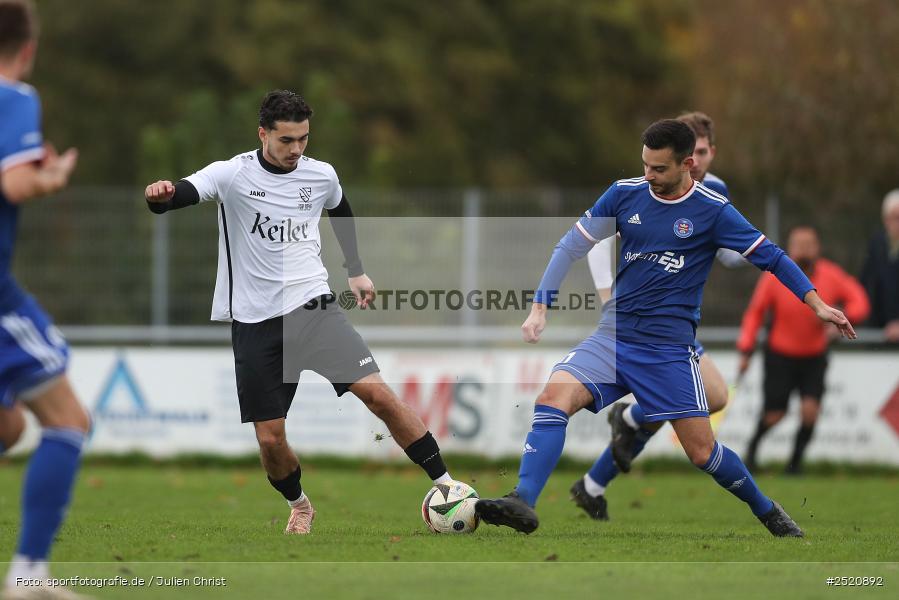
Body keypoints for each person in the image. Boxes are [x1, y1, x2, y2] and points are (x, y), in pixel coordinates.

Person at [475, 119, 856, 537]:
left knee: (701, 451)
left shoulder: (713, 210)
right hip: (614, 337)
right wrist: (539, 307)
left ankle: (768, 512)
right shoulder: (624, 194)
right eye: (645, 166)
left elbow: (772, 257)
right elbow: (571, 245)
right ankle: (523, 501)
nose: (648, 176)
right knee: (552, 396)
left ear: (687, 165)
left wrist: (815, 302)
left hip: (667, 350)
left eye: (658, 169)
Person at [144, 90, 454, 535]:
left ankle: (447, 486)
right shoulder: (231, 174)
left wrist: (356, 272)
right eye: (286, 140)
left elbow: (340, 209)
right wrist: (161, 195)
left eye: (303, 139)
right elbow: (181, 194)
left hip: (314, 307)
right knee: (271, 439)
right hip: (255, 324)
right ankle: (300, 504)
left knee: (379, 395)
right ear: (263, 133)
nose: (296, 150)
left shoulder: (320, 175)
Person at [574, 111, 732, 520]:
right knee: (708, 397)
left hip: (679, 316)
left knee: (680, 408)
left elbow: (733, 252)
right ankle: (623, 426)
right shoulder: (649, 186)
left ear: (708, 153)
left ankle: (592, 484)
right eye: (690, 151)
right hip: (647, 317)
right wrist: (607, 295)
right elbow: (594, 238)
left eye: (701, 151)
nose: (695, 160)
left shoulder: (713, 193)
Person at [0, 1, 90, 597]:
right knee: (68, 421)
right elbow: (13, 180)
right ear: (27, 48)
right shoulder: (14, 95)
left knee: (6, 428)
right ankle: (28, 577)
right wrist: (50, 178)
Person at [739, 225, 869, 474]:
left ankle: (794, 466)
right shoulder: (775, 277)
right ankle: (752, 452)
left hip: (814, 357)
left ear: (818, 247)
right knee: (775, 414)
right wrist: (746, 349)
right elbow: (754, 313)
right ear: (789, 247)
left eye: (809, 244)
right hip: (779, 356)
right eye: (798, 244)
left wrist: (842, 319)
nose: (804, 249)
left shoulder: (832, 275)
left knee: (810, 413)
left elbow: (860, 301)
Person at [860, 190, 899, 342]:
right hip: (878, 332)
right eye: (895, 218)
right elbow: (864, 283)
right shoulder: (877, 245)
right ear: (886, 220)